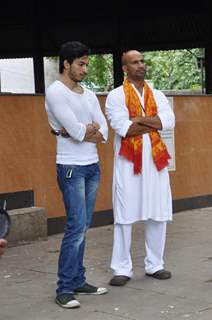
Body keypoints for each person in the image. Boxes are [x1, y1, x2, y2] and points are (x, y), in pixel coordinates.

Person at [45, 41, 109, 308]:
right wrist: (85, 130)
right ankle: (64, 288)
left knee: (83, 227)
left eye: (87, 64)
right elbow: (78, 131)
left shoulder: (89, 94)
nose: (85, 69)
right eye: (81, 64)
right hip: (70, 167)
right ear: (66, 64)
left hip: (92, 166)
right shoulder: (56, 92)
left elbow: (103, 131)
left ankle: (78, 279)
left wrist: (86, 130)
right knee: (75, 227)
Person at [106, 50, 174, 287]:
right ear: (124, 68)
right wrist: (150, 121)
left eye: (142, 61)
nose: (141, 65)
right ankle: (121, 268)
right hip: (128, 162)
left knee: (158, 213)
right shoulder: (115, 96)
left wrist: (138, 120)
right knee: (124, 215)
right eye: (135, 62)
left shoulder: (157, 94)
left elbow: (168, 122)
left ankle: (155, 265)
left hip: (155, 162)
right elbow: (123, 128)